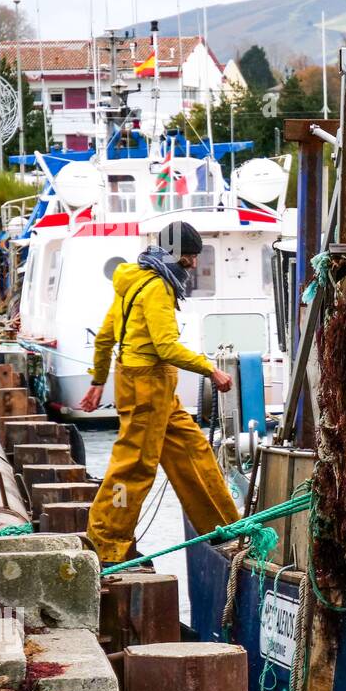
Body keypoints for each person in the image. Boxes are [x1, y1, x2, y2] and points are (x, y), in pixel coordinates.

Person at [82, 222, 239, 567]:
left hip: (149, 384)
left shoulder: (133, 281)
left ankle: (227, 527)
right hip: (147, 384)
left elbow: (106, 337)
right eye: (190, 257)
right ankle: (107, 543)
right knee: (133, 468)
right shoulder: (157, 288)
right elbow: (166, 346)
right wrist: (210, 369)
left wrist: (97, 382)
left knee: (193, 450)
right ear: (176, 256)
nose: (194, 264)